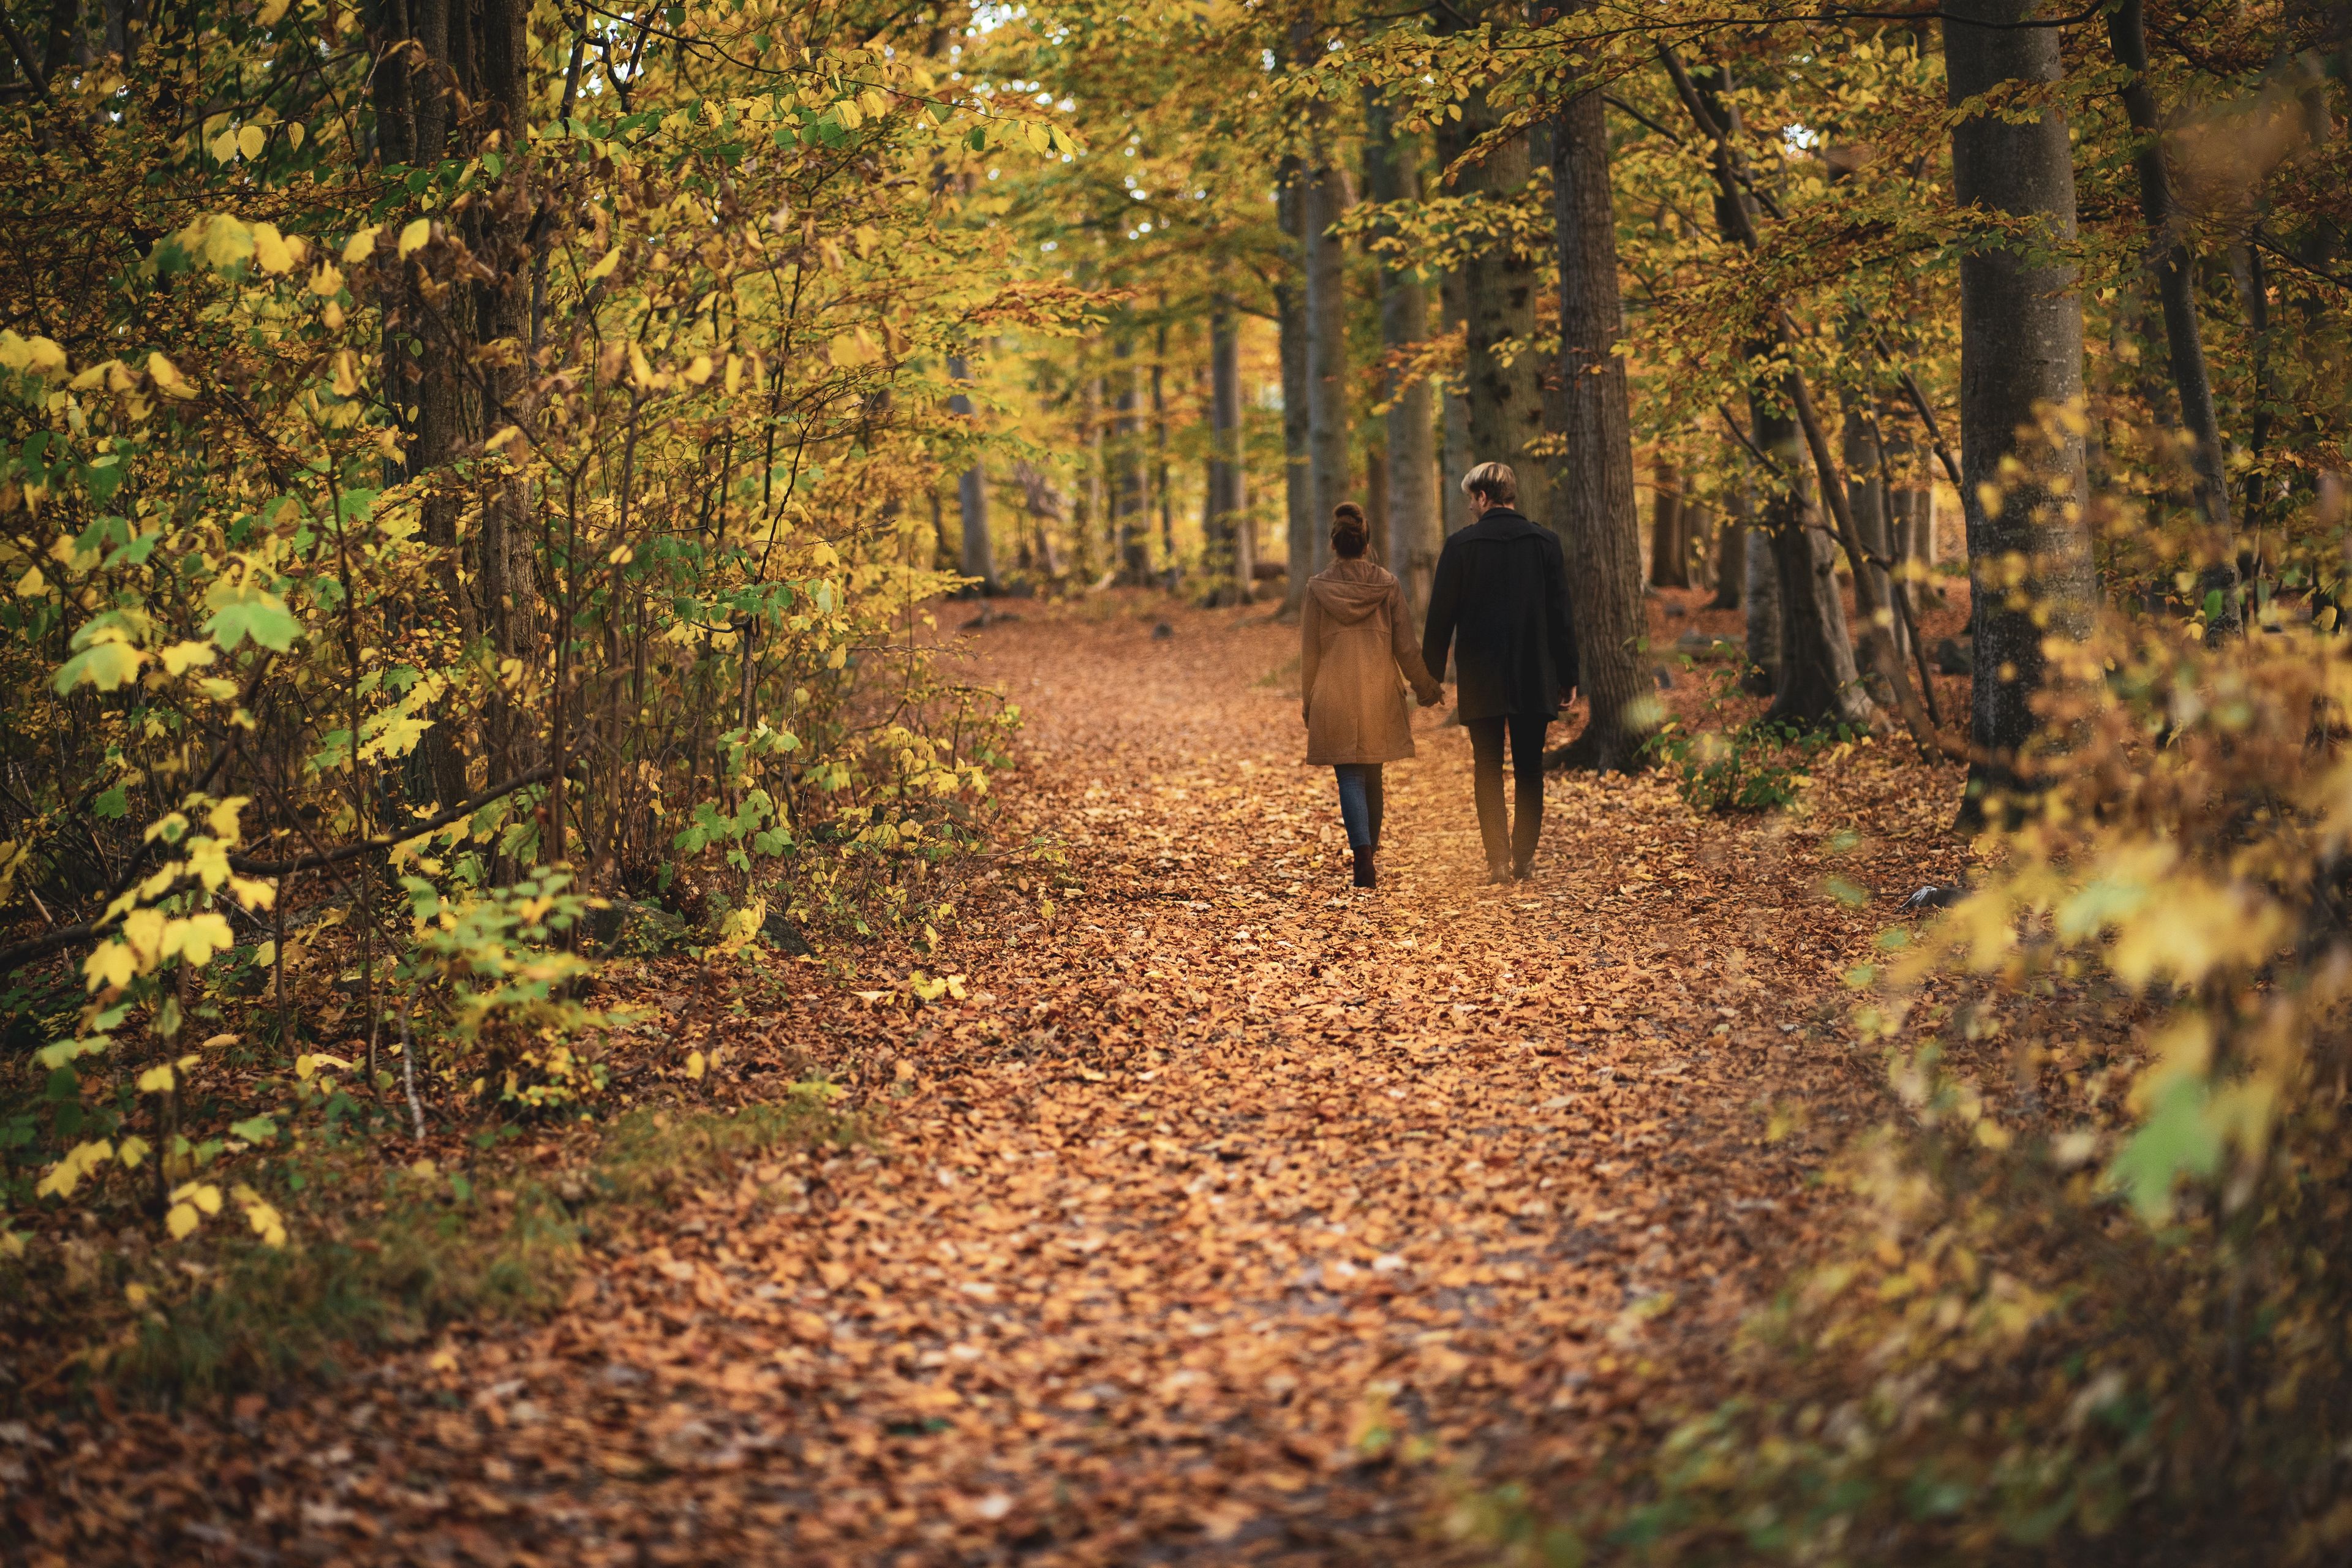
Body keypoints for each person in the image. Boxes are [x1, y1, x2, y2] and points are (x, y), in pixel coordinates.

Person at [1422, 462, 1578, 883]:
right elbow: (1562, 615)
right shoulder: (1546, 543)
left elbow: (1440, 618)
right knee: (1530, 768)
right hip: (1534, 673)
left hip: (1482, 675)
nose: (1470, 507)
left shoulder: (1460, 546)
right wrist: (1568, 676)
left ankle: (1497, 862)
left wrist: (1429, 679)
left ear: (1483, 498)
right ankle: (1524, 859)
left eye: (1471, 499)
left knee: (1486, 767)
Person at [1302, 502, 1442, 890]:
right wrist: (1425, 688)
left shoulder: (1317, 588)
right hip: (1378, 690)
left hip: (1334, 690)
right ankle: (1370, 854)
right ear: (1366, 545)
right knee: (1373, 774)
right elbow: (1406, 646)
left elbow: (1309, 652)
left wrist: (1308, 700)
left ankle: (1362, 859)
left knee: (1349, 775)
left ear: (1334, 545)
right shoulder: (1387, 584)